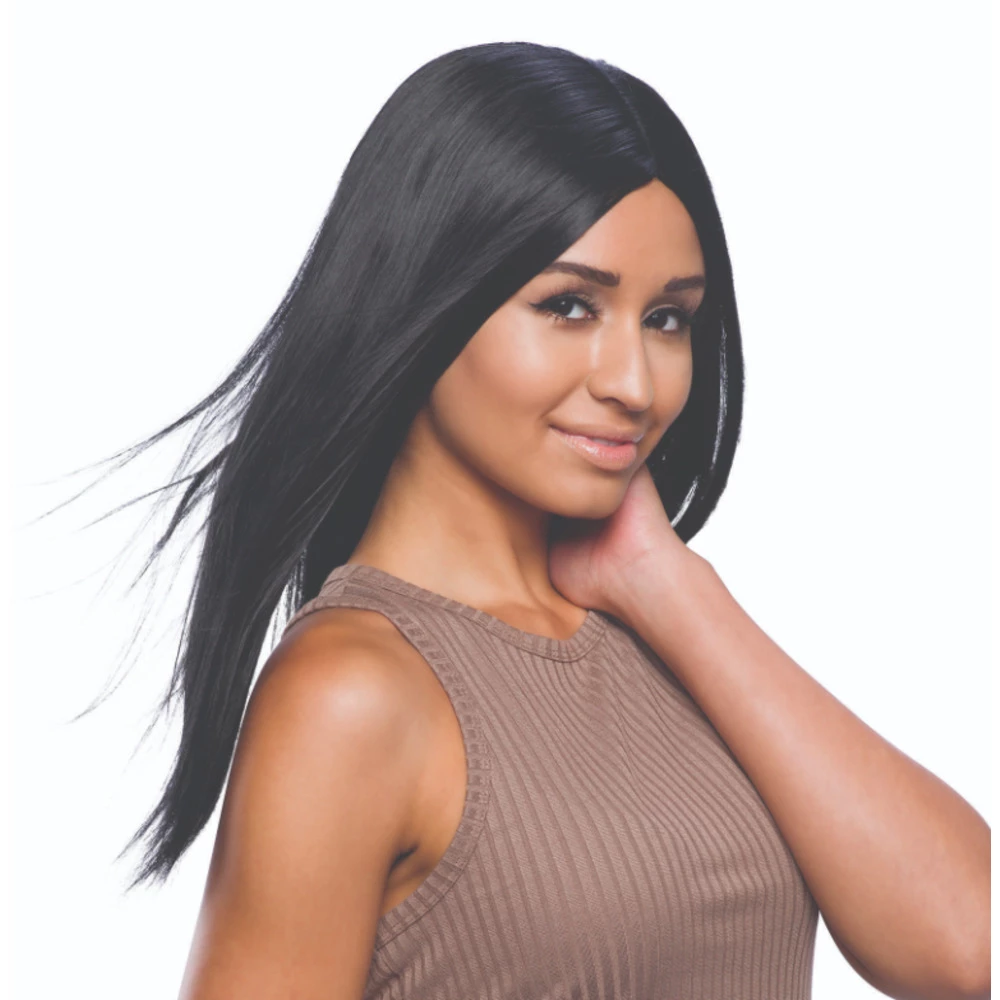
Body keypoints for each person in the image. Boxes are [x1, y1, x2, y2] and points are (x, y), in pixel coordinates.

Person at [81, 41, 988, 1000]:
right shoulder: (350, 695)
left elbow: (966, 945)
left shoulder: (665, 633)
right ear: (424, 301)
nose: (634, 384)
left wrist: (669, 587)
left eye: (668, 319)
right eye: (568, 306)